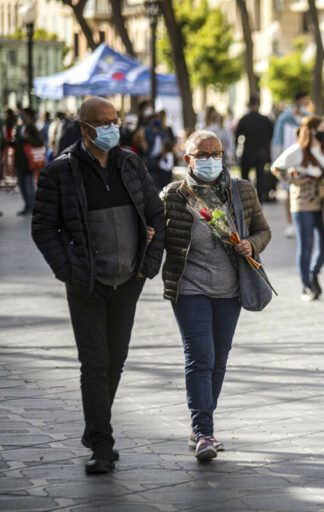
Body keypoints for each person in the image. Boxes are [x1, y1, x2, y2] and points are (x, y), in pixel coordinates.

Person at [31, 97, 165, 474]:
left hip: (129, 280)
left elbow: (156, 215)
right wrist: (68, 270)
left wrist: (147, 267)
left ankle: (95, 429)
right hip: (87, 283)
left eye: (115, 120)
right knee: (94, 364)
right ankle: (102, 444)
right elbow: (43, 226)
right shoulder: (61, 171)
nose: (113, 126)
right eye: (104, 122)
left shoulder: (130, 162)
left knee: (116, 361)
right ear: (85, 127)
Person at [161, 130, 271, 461]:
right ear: (188, 159)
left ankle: (200, 425)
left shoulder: (242, 191)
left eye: (216, 153)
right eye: (203, 154)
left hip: (230, 289)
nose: (211, 159)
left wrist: (252, 244)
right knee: (200, 357)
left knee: (219, 359)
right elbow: (154, 238)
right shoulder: (173, 196)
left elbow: (263, 230)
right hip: (189, 287)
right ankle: (205, 432)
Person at [272, 115, 324, 300]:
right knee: (306, 243)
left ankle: (313, 272)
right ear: (313, 130)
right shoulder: (297, 151)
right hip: (303, 199)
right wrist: (294, 180)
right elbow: (276, 168)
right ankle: (306, 285)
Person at [273, 91, 311, 238]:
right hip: (288, 160)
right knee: (289, 192)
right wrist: (277, 161)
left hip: (305, 160)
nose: (304, 104)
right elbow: (277, 141)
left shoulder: (307, 117)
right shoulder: (285, 118)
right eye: (302, 101)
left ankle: (302, 222)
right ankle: (290, 223)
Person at [236, 95, 274, 203]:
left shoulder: (244, 119)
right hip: (262, 152)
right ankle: (259, 201)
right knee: (260, 178)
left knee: (245, 178)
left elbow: (237, 135)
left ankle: (246, 199)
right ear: (259, 105)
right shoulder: (265, 119)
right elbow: (271, 136)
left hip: (248, 152)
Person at [14, 108, 44, 215]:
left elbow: (40, 141)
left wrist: (27, 138)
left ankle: (31, 207)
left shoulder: (32, 127)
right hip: (19, 161)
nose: (21, 116)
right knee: (21, 185)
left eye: (23, 114)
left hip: (28, 161)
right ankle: (27, 205)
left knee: (28, 185)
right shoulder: (18, 128)